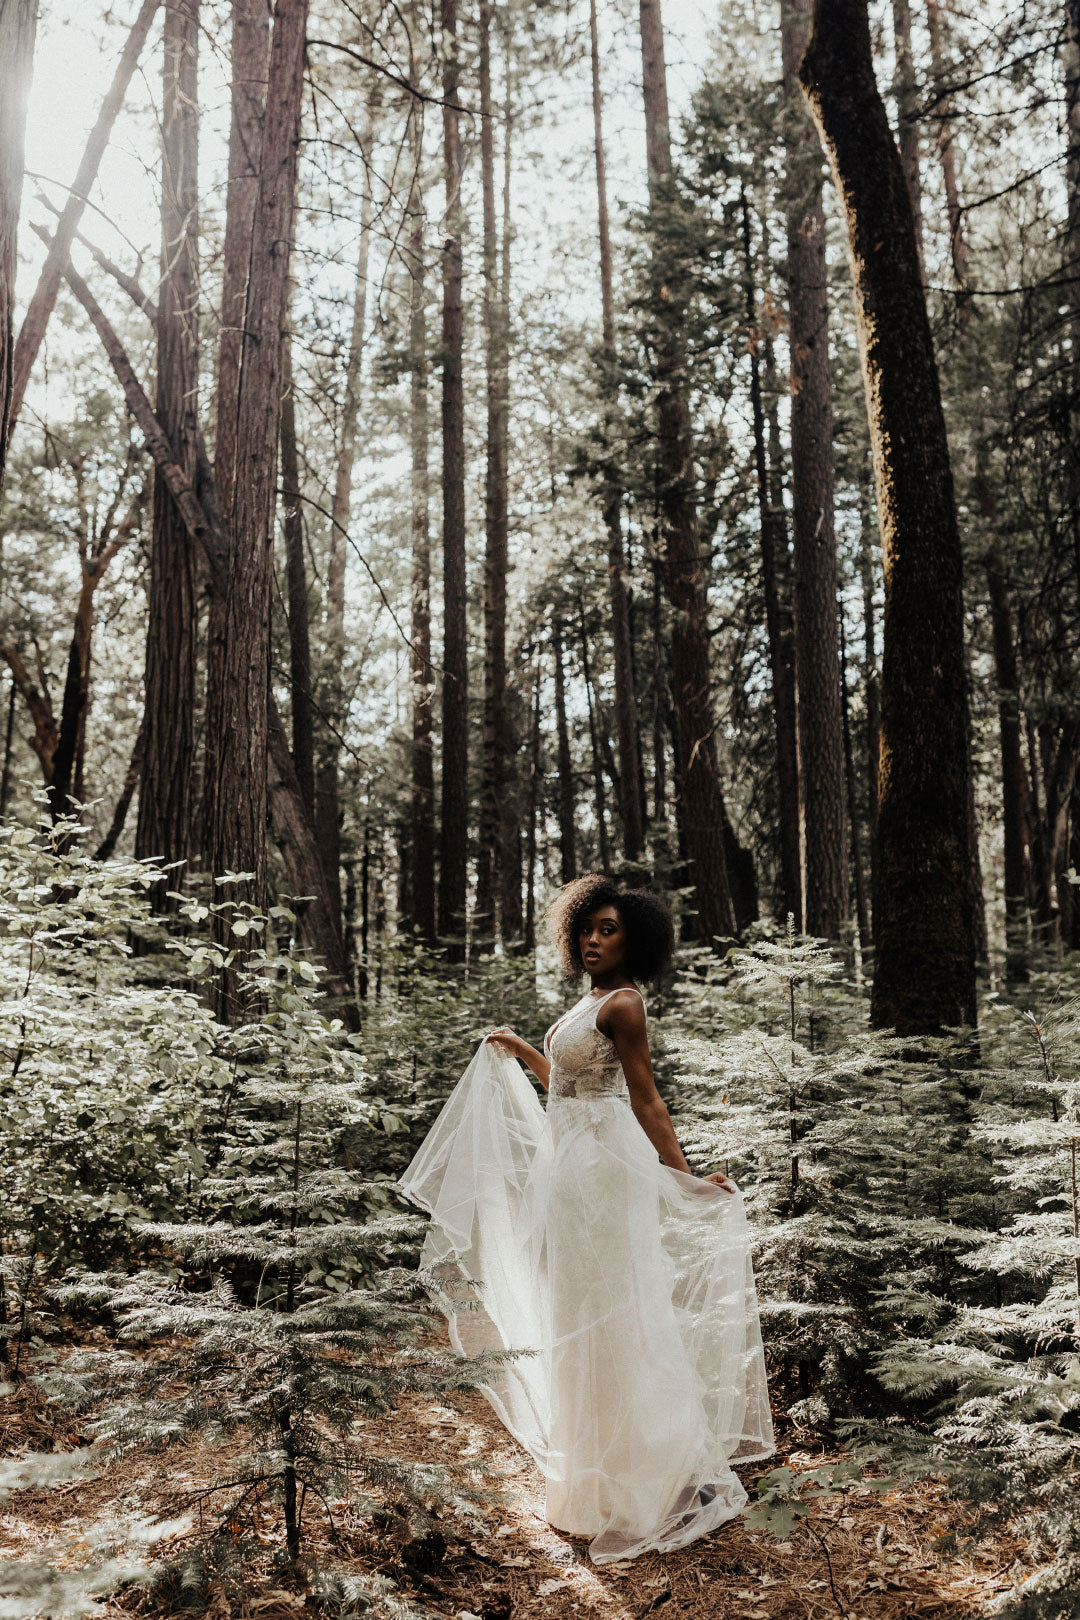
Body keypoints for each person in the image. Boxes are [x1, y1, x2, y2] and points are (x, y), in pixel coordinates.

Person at [397, 874, 774, 1565]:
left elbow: (646, 1101)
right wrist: (520, 1049)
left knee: (616, 1312)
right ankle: (592, 1479)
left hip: (606, 1171)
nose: (594, 941)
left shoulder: (625, 1005)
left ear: (635, 941)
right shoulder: (589, 1002)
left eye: (609, 931)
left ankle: (645, 1479)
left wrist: (684, 1177)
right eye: (587, 930)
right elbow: (567, 1088)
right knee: (574, 1312)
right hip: (568, 1170)